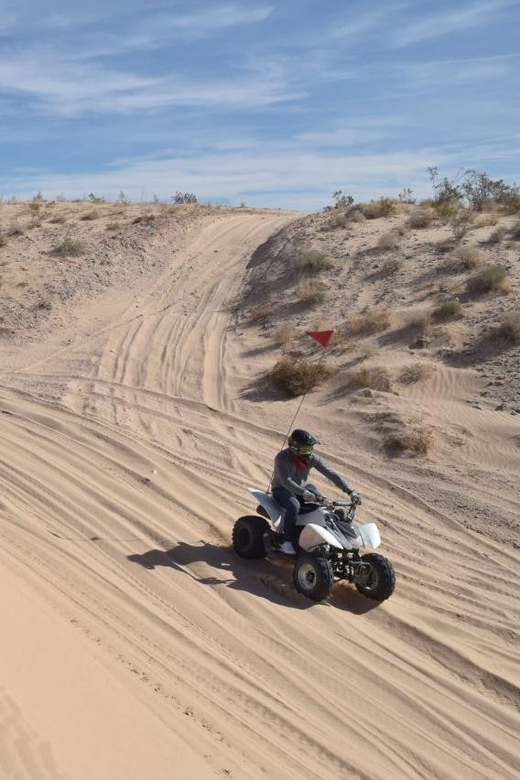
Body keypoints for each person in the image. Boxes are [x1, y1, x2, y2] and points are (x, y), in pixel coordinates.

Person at [271, 429, 360, 554]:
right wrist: (304, 493)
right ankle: (287, 542)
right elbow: (286, 481)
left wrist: (350, 491)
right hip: (282, 489)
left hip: (302, 488)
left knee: (324, 504)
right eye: (306, 450)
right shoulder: (282, 458)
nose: (309, 453)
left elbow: (330, 472)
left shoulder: (312, 458)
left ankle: (319, 535)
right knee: (294, 506)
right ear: (294, 448)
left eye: (310, 449)